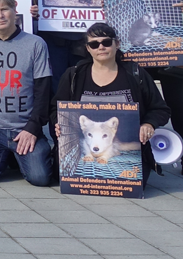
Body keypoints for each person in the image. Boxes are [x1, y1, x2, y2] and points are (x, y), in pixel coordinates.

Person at [50, 23, 170, 185]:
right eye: (94, 44)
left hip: (126, 155)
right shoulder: (74, 75)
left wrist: (149, 124)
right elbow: (55, 108)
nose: (101, 47)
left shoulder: (135, 73)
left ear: (117, 44)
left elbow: (160, 109)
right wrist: (58, 123)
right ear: (88, 48)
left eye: (106, 42)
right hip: (84, 150)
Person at [0, 0, 53, 186]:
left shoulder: (35, 44)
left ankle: (22, 154)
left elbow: (44, 90)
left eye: (4, 9)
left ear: (15, 10)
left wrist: (33, 128)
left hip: (24, 126)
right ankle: (10, 156)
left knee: (40, 178)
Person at [113, 0, 183, 137]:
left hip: (172, 56)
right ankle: (143, 153)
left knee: (179, 106)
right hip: (137, 57)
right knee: (139, 107)